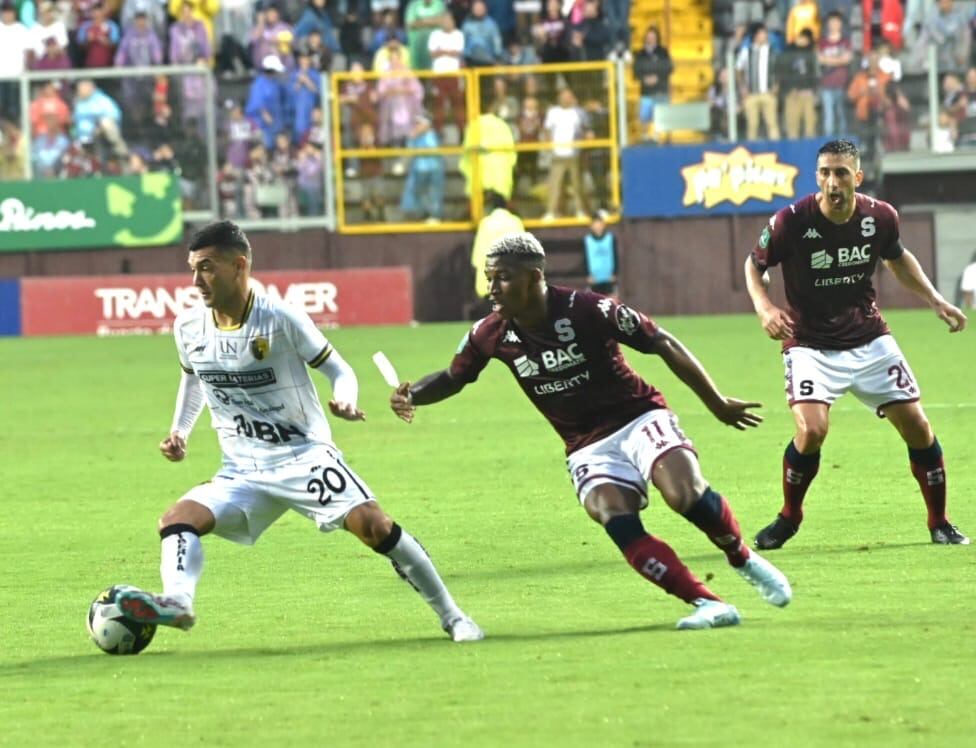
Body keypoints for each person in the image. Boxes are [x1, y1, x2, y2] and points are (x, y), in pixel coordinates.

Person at [389, 232, 793, 630]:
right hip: (586, 445)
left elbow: (662, 342)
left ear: (533, 277)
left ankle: (741, 557)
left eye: (502, 277)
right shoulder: (489, 334)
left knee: (683, 494)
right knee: (612, 515)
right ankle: (707, 602)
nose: (492, 288)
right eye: (489, 277)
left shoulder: (588, 309)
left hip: (638, 417)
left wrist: (716, 403)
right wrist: (414, 395)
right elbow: (453, 377)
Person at [116, 221, 484, 643]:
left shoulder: (281, 317)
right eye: (193, 269)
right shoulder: (189, 327)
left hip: (302, 456)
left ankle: (454, 617)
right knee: (177, 520)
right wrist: (179, 430)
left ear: (238, 266)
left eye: (206, 268)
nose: (196, 280)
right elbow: (194, 379)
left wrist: (345, 398)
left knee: (375, 526)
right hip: (242, 468)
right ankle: (178, 602)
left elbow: (338, 369)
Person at [743, 139, 970, 550]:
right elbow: (754, 265)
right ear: (817, 178)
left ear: (857, 178)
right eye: (825, 173)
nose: (832, 182)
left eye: (841, 173)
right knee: (811, 432)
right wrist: (764, 308)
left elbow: (897, 257)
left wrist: (935, 299)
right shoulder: (791, 221)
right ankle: (789, 516)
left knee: (918, 427)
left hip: (868, 338)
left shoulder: (880, 217)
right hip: (809, 344)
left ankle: (940, 522)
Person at [584, 210, 618, 296]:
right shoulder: (588, 240)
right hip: (595, 279)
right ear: (591, 226)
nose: (598, 226)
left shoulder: (610, 238)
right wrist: (588, 274)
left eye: (600, 223)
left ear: (603, 225)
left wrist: (614, 273)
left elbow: (615, 256)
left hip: (608, 277)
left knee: (611, 302)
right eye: (595, 223)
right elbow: (585, 258)